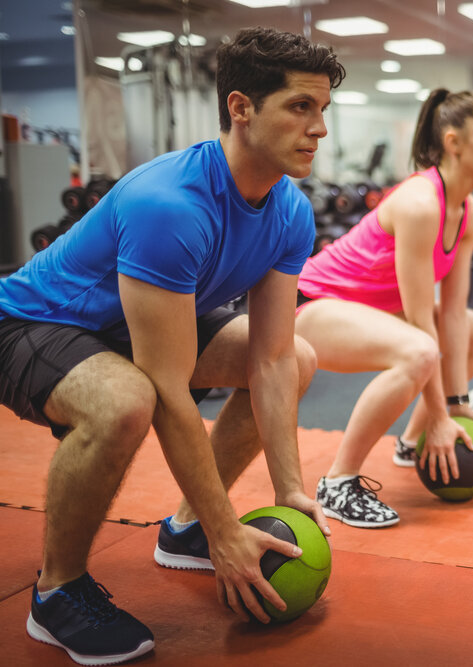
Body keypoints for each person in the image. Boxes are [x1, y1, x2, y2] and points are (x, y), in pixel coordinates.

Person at [0, 27, 344, 665]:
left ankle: (184, 528)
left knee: (296, 358)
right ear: (241, 108)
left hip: (133, 325)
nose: (319, 128)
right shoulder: (172, 204)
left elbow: (269, 356)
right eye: (301, 107)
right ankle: (57, 591)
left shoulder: (290, 211)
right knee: (125, 401)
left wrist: (291, 490)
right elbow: (165, 387)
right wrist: (228, 534)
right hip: (31, 322)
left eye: (323, 110)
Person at [295, 89, 473, 528]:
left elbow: (451, 312)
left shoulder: (469, 211)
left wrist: (459, 405)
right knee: (419, 350)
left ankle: (412, 443)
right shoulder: (419, 203)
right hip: (312, 306)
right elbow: (419, 318)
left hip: (369, 312)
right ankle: (337, 482)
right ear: (454, 143)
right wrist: (443, 414)